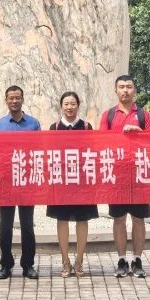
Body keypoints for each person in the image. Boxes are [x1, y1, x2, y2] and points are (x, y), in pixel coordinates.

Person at [100, 74, 150, 279]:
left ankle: (137, 259)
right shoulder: (109, 115)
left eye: (129, 87)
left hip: (139, 175)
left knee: (139, 219)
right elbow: (102, 143)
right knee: (119, 219)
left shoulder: (143, 114)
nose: (125, 90)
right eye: (121, 87)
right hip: (118, 175)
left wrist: (139, 131)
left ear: (135, 90)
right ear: (116, 91)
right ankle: (122, 259)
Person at [0, 85, 41, 280]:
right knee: (5, 226)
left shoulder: (34, 124)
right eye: (11, 98)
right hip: (6, 182)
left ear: (23, 99)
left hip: (27, 181)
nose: (14, 101)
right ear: (6, 101)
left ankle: (28, 264)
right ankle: (6, 263)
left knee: (27, 225)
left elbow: (39, 151)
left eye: (17, 98)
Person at [47, 91, 96, 278]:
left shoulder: (86, 127)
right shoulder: (54, 128)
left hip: (82, 182)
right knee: (62, 220)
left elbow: (92, 152)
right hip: (61, 182)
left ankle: (79, 261)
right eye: (66, 104)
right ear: (61, 106)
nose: (69, 107)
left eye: (73, 104)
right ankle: (65, 261)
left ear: (78, 106)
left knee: (82, 220)